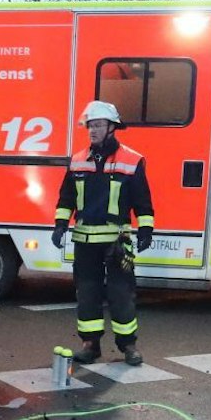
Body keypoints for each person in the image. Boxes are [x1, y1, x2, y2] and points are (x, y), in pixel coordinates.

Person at [50, 101, 156, 366]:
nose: (92, 131)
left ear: (111, 127)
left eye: (97, 125)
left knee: (121, 294)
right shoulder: (78, 160)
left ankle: (128, 346)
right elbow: (66, 198)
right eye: (90, 126)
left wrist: (146, 229)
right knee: (87, 293)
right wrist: (60, 224)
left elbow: (142, 200)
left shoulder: (131, 160)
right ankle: (90, 345)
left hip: (117, 242)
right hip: (84, 240)